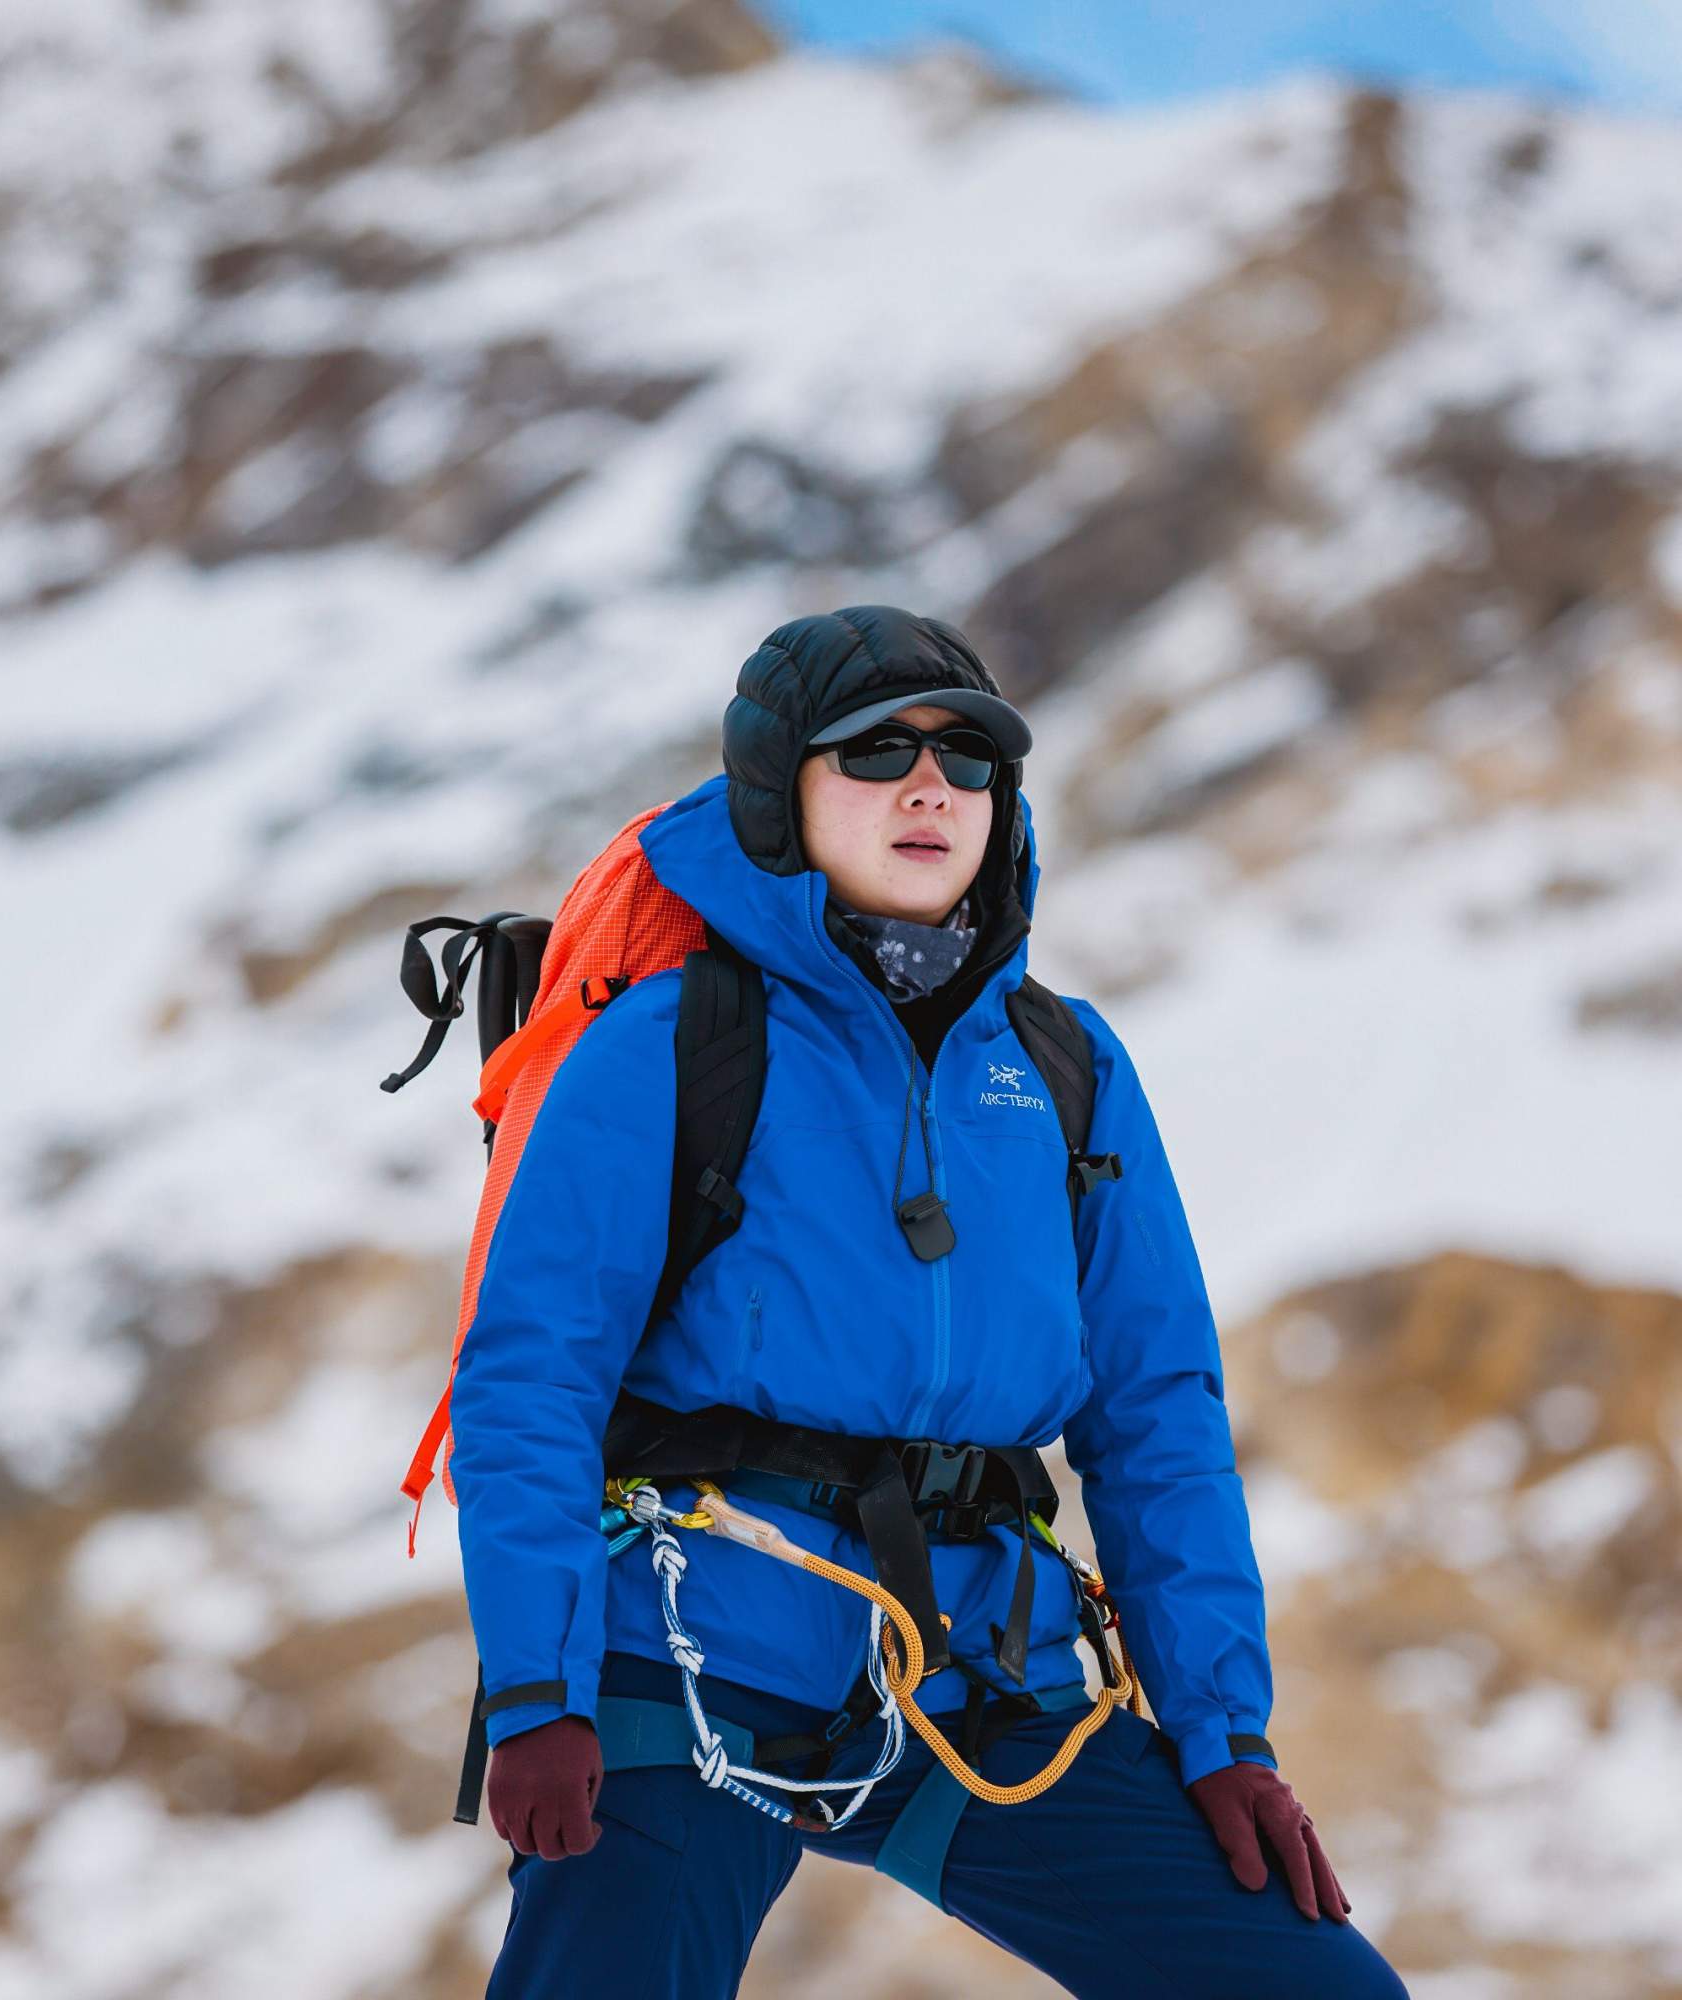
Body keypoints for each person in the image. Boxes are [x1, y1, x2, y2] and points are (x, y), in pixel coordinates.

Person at [449, 606, 1409, 1997]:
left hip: (986, 1681)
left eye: (968, 759)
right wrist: (541, 1693)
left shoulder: (1068, 1066)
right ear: (782, 796)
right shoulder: (673, 1041)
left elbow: (1158, 1417)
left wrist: (1224, 1737)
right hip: (692, 1657)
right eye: (875, 752)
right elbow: (531, 1376)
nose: (929, 788)